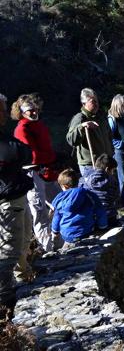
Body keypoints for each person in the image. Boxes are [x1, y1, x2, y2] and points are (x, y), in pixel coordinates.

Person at [11, 94, 60, 252]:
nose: (33, 112)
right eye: (29, 109)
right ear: (21, 111)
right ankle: (47, 248)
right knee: (39, 211)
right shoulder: (22, 129)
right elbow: (32, 157)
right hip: (32, 173)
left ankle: (61, 241)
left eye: (34, 108)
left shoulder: (39, 125)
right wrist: (51, 157)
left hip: (46, 170)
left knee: (60, 203)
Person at [0, 93, 34, 316]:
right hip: (7, 198)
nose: (4, 114)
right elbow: (20, 152)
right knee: (9, 248)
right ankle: (5, 299)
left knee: (23, 240)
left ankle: (23, 277)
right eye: (1, 110)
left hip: (14, 194)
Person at [51, 169, 107, 246]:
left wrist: (55, 231)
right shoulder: (89, 194)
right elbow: (100, 211)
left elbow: (56, 217)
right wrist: (102, 226)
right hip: (86, 232)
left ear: (64, 186)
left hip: (67, 235)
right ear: (77, 181)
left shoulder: (60, 198)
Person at [66, 88, 114, 177]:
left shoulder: (101, 118)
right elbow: (71, 140)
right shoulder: (80, 118)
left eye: (97, 101)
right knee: (93, 190)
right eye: (93, 101)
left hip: (105, 163)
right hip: (90, 165)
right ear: (84, 103)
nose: (96, 104)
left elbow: (109, 137)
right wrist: (82, 127)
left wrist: (111, 153)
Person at [81, 154, 120, 227]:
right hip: (108, 217)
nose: (113, 173)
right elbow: (115, 197)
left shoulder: (84, 178)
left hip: (89, 218)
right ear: (107, 169)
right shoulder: (111, 181)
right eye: (113, 171)